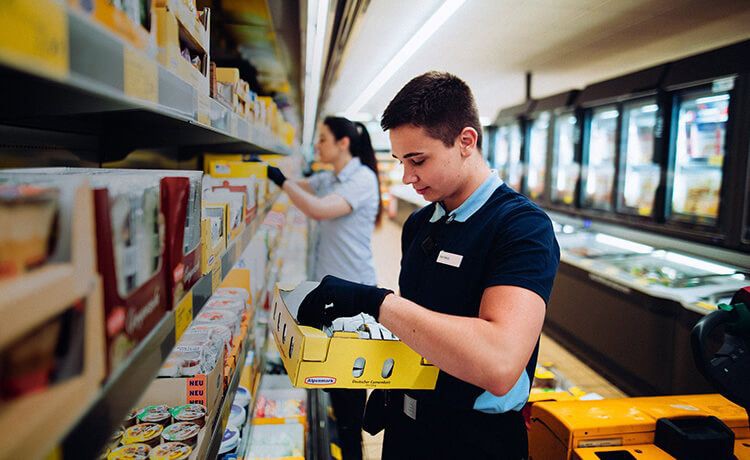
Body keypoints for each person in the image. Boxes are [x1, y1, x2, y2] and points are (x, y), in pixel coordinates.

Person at [296, 72, 560, 459]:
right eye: (400, 161)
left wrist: (377, 302)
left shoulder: (520, 227)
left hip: (474, 440)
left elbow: (500, 362)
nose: (407, 177)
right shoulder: (421, 224)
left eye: (418, 160)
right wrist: (386, 379)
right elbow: (421, 321)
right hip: (407, 428)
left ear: (466, 141)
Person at [266, 116, 381, 460]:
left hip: (354, 298)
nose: (317, 146)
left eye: (322, 139)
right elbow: (306, 187)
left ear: (343, 143)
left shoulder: (362, 180)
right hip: (328, 295)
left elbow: (317, 210)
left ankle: (352, 452)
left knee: (348, 390)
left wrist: (281, 181)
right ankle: (342, 441)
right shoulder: (330, 176)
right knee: (331, 380)